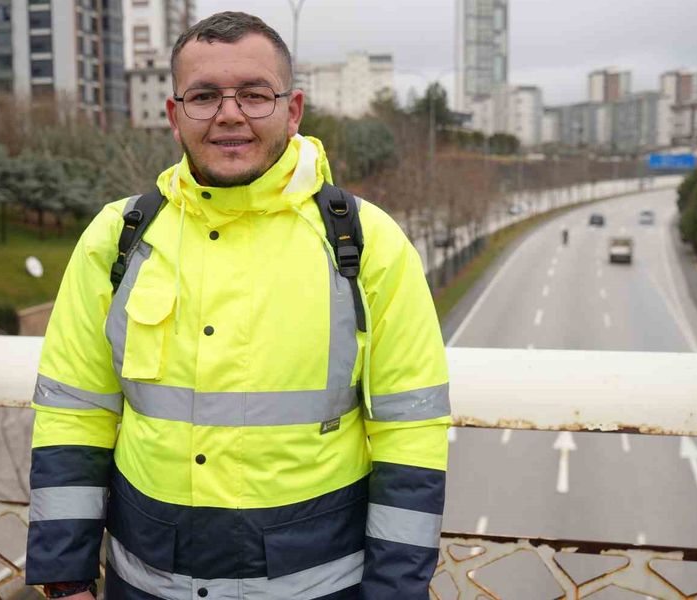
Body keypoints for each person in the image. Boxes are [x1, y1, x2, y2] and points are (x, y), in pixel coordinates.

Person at [26, 11, 450, 600]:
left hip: (319, 587)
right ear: (174, 115)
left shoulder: (366, 240)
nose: (229, 114)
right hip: (147, 583)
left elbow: (411, 431)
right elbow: (74, 412)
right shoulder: (118, 236)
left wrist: (396, 592)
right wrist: (64, 576)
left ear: (292, 110)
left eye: (254, 94)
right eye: (204, 96)